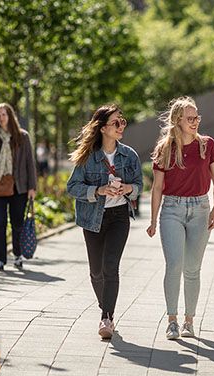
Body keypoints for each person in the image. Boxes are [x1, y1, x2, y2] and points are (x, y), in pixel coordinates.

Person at [147, 96, 214, 340]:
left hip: (200, 209)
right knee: (174, 265)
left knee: (192, 268)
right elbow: (157, 187)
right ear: (177, 120)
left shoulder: (207, 145)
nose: (195, 122)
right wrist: (152, 219)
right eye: (190, 118)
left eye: (197, 117)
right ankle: (172, 321)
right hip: (172, 210)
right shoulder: (164, 148)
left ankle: (190, 320)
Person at [66, 104, 142, 340]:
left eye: (123, 121)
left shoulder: (129, 155)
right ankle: (105, 307)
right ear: (102, 128)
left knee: (110, 267)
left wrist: (129, 188)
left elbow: (139, 186)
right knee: (96, 272)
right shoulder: (87, 156)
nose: (121, 126)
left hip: (119, 217)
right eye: (116, 123)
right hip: (92, 219)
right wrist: (98, 190)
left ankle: (106, 317)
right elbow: (72, 187)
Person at [0, 103, 37, 271]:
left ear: (10, 116)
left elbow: (29, 163)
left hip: (19, 187)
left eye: (4, 114)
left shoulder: (22, 137)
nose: (1, 118)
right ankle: (0, 261)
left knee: (17, 223)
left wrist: (32, 186)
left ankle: (17, 255)